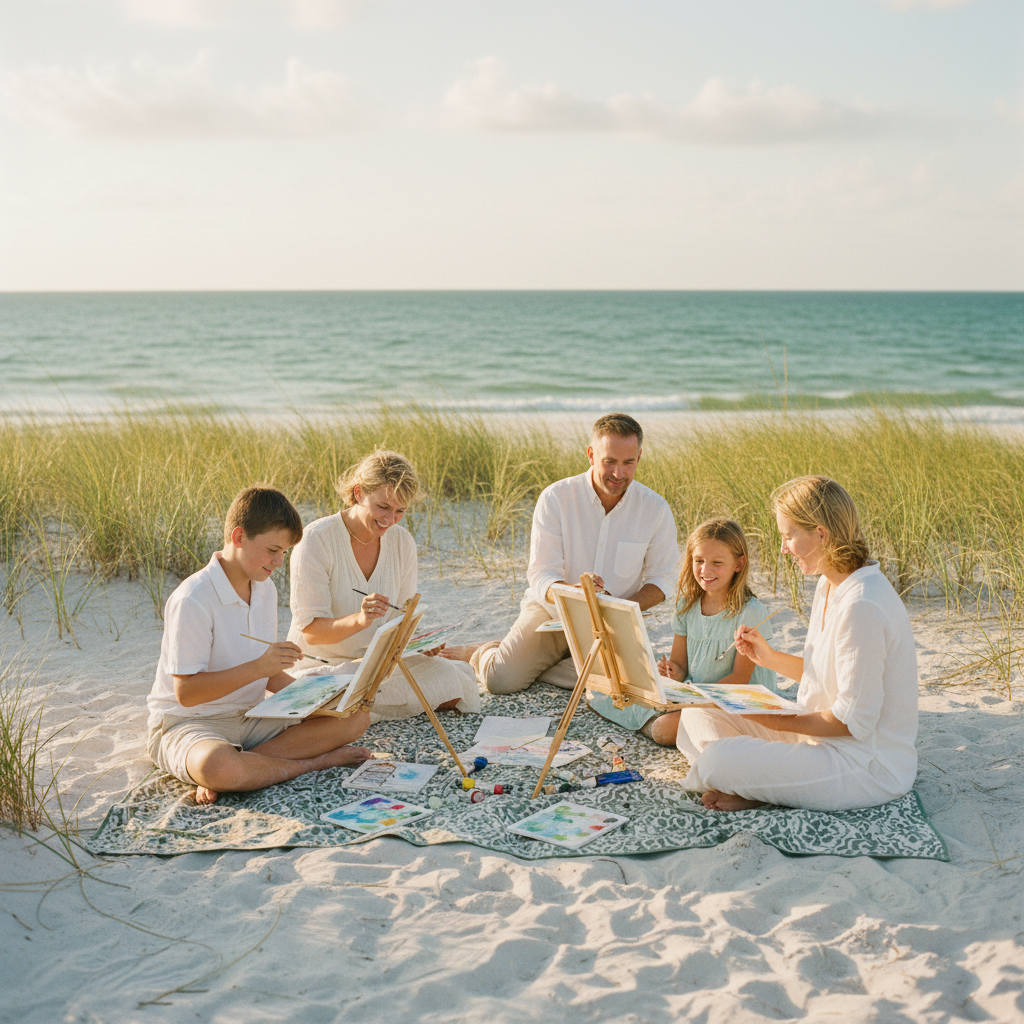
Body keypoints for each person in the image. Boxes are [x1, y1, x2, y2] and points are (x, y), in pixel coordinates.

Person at [678, 475, 919, 813]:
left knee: (718, 759)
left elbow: (852, 723)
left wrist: (772, 719)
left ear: (820, 534)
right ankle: (761, 782)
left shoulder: (863, 605)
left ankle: (753, 783)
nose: (783, 548)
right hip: (817, 739)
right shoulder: (830, 584)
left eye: (788, 536)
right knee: (695, 716)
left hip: (862, 765)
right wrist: (768, 658)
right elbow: (828, 674)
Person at [146, 486, 371, 806]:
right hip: (190, 723)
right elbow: (186, 694)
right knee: (219, 766)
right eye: (273, 550)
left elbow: (269, 676)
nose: (279, 562)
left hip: (251, 717)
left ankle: (247, 766)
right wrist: (259, 668)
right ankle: (314, 763)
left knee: (356, 718)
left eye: (284, 553)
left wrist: (316, 702)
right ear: (238, 537)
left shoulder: (264, 590)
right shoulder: (193, 599)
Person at [443, 413, 678, 693]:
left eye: (628, 463)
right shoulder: (556, 498)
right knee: (501, 681)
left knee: (623, 684)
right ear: (591, 455)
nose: (619, 473)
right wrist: (575, 594)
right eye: (610, 462)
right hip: (552, 613)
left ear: (639, 457)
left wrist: (621, 611)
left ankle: (536, 659)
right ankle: (485, 652)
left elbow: (663, 579)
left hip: (613, 624)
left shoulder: (655, 508)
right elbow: (542, 574)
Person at [287, 449, 479, 721]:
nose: (390, 520)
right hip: (323, 667)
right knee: (342, 689)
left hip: (379, 666)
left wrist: (419, 643)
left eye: (400, 511)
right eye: (383, 507)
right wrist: (360, 620)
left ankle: (359, 709)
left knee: (454, 679)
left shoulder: (402, 542)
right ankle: (358, 709)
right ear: (358, 493)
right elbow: (312, 633)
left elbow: (400, 619)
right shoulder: (316, 540)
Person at [590, 518, 776, 741]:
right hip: (695, 695)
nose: (705, 570)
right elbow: (680, 667)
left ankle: (651, 726)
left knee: (663, 729)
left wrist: (692, 699)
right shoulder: (687, 605)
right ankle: (660, 720)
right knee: (601, 695)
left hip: (737, 701)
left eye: (717, 562)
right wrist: (673, 672)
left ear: (738, 564)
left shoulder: (750, 612)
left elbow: (739, 680)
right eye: (699, 560)